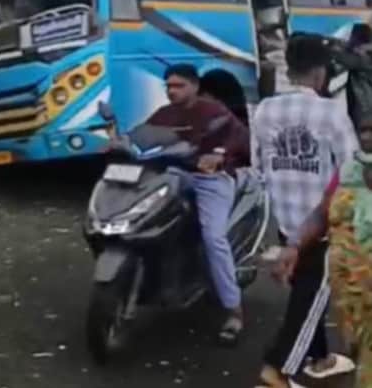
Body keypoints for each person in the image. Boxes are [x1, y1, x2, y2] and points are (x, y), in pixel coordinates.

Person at [251, 34, 359, 388]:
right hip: (325, 223)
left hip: (286, 219)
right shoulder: (331, 113)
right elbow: (352, 171)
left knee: (306, 293)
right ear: (320, 72)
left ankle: (320, 359)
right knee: (311, 296)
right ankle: (278, 368)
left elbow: (258, 164)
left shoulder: (265, 110)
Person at [145, 64, 251, 345]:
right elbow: (140, 138)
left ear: (194, 86)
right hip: (176, 175)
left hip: (211, 179)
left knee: (214, 238)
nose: (172, 91)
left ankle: (234, 311)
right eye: (168, 86)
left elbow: (239, 136)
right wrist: (118, 142)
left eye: (178, 85)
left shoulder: (213, 111)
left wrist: (218, 154)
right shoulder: (165, 114)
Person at [272, 114, 372, 388]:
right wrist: (294, 245)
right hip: (350, 291)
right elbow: (323, 212)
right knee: (360, 351)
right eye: (364, 129)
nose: (367, 138)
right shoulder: (350, 170)